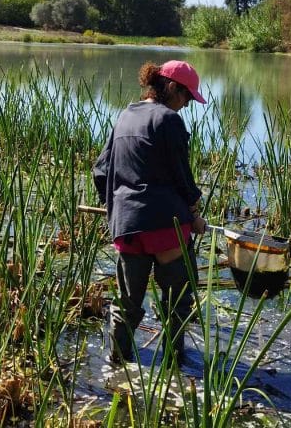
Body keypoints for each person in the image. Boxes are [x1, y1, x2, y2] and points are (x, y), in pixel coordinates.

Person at [92, 60, 208, 365]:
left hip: (127, 228)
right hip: (166, 227)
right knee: (178, 301)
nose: (186, 105)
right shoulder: (169, 120)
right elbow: (182, 177)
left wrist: (116, 208)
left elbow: (100, 171)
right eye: (186, 97)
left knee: (127, 302)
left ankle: (117, 360)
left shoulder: (125, 116)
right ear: (171, 87)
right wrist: (194, 213)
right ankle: (174, 362)